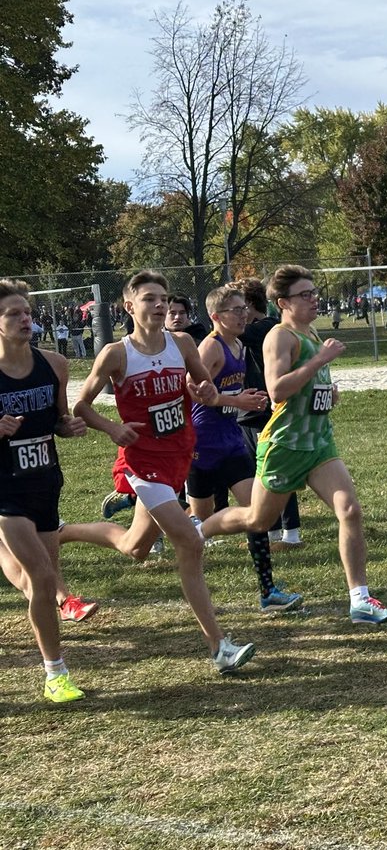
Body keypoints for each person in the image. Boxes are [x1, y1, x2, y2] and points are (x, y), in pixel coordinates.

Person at [59, 270, 256, 674]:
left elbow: (207, 390)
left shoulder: (182, 343)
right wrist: (113, 428)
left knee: (136, 547)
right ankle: (219, 646)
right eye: (150, 298)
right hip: (141, 461)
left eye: (163, 298)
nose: (160, 305)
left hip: (178, 454)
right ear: (129, 306)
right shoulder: (116, 353)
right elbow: (81, 407)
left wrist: (205, 393)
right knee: (190, 541)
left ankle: (63, 532)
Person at [198, 265, 387, 625]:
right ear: (283, 303)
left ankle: (360, 600)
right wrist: (321, 359)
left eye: (314, 293)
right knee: (257, 518)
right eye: (305, 295)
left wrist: (327, 393)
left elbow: (306, 389)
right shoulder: (280, 336)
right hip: (285, 445)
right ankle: (198, 530)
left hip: (318, 443)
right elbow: (276, 390)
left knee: (350, 510)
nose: (314, 299)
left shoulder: (312, 333)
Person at [0, 279, 93, 702]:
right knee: (40, 575)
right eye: (13, 314)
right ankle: (56, 674)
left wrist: (68, 427)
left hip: (45, 481)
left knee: (40, 577)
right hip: (5, 488)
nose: (25, 319)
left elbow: (58, 420)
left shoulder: (54, 364)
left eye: (27, 312)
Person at [189, 284, 303, 613]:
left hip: (231, 443)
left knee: (257, 514)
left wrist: (247, 398)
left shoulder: (238, 345)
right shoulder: (210, 348)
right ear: (215, 317)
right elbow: (192, 389)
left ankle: (268, 591)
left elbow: (222, 395)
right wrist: (236, 400)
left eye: (244, 309)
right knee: (199, 521)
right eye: (235, 311)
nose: (243, 315)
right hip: (202, 445)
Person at [233, 278, 304, 551]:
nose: (236, 314)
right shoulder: (256, 328)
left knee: (277, 470)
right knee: (258, 473)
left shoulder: (268, 327)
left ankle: (291, 533)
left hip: (267, 410)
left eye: (239, 307)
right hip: (248, 411)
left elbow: (238, 333)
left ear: (250, 305)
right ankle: (272, 532)